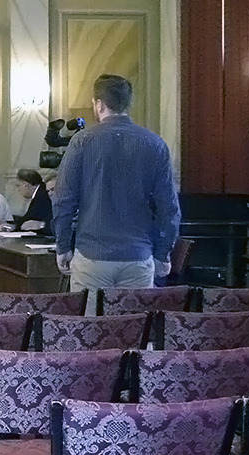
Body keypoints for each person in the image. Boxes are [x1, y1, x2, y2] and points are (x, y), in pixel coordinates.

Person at [53, 74, 180, 311]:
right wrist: (163, 253)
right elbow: (169, 208)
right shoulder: (155, 144)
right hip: (138, 256)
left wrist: (63, 246)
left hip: (92, 256)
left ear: (99, 104)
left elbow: (63, 200)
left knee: (91, 329)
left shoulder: (82, 141)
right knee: (135, 328)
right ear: (127, 103)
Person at [12, 168, 52, 233]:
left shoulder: (41, 196)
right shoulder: (40, 192)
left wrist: (10, 226)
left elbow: (28, 219)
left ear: (25, 185)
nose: (18, 189)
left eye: (18, 186)